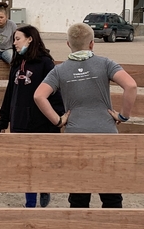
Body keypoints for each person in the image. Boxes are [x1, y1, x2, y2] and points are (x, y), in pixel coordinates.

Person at [34, 22, 137, 208]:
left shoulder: (59, 70)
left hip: (76, 136)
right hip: (106, 134)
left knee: (79, 197)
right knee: (111, 196)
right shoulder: (106, 63)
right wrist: (123, 116)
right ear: (92, 43)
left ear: (68, 44)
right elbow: (131, 86)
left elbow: (39, 96)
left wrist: (58, 120)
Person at [0, 25, 64, 207]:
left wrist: (56, 120)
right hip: (19, 121)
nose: (14, 43)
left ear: (30, 39)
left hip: (41, 122)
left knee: (41, 161)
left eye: (18, 39)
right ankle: (30, 203)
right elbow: (9, 94)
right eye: (14, 39)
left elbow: (56, 94)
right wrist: (3, 120)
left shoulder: (46, 63)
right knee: (26, 165)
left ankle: (44, 187)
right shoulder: (17, 63)